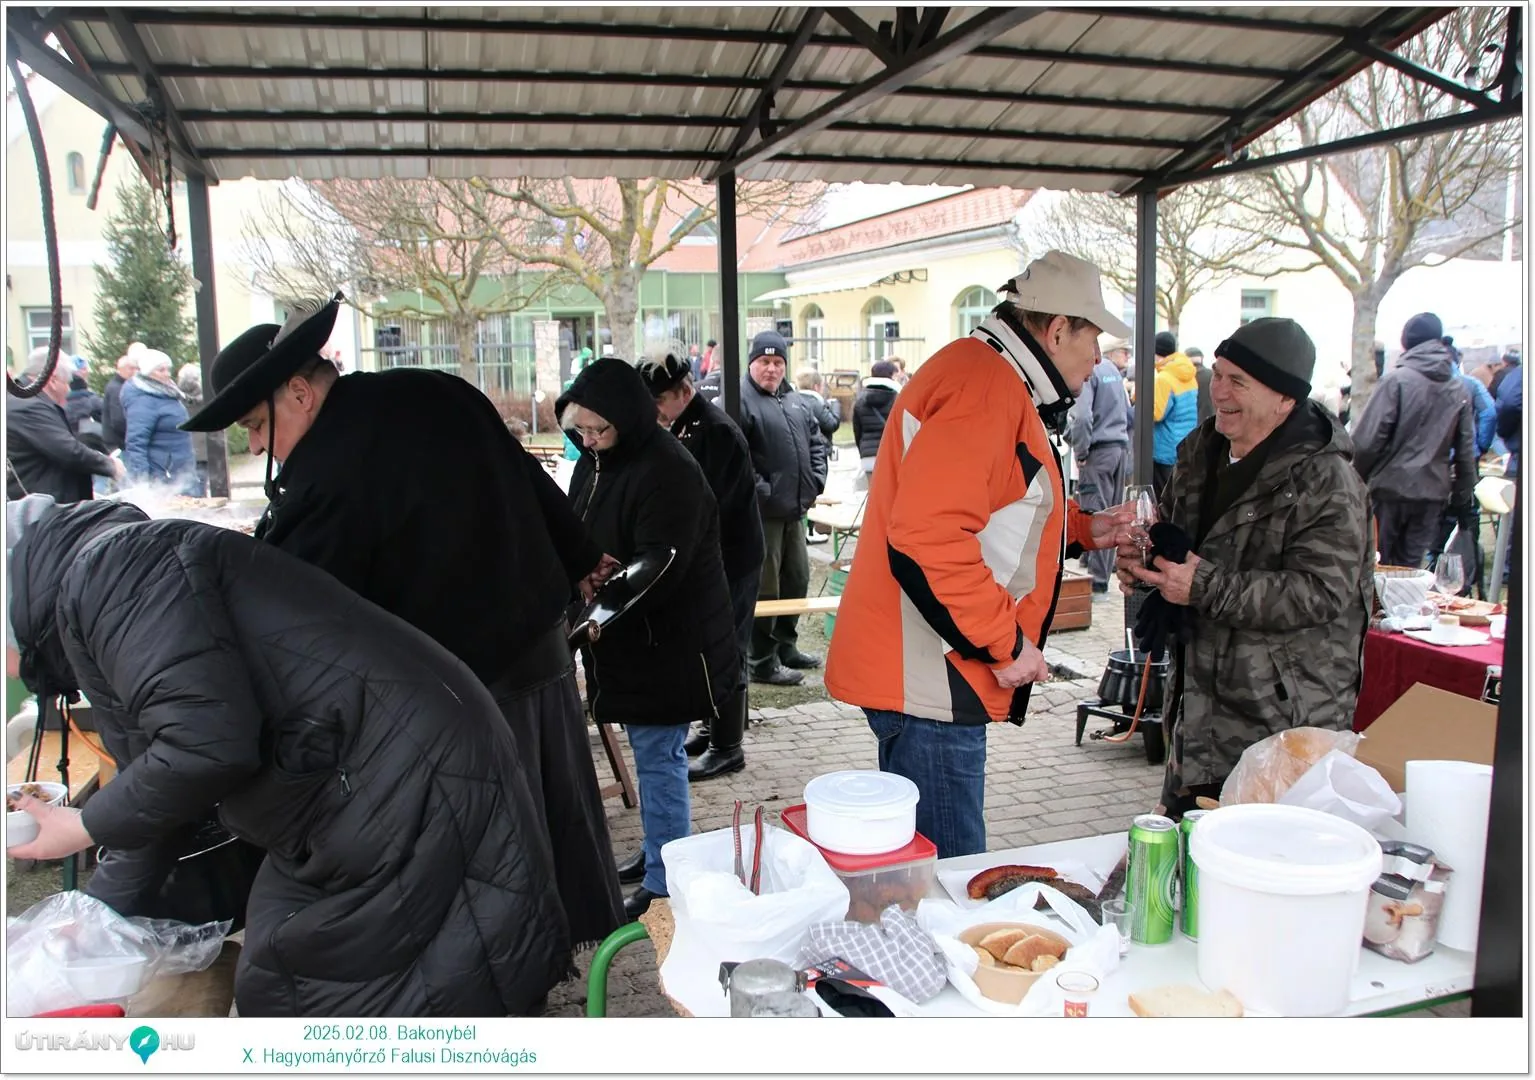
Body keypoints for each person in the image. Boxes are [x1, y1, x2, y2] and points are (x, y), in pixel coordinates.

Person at [5, 495, 572, 1017]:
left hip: (401, 774)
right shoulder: (109, 575)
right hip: (363, 776)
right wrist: (94, 916)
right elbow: (164, 780)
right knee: (286, 972)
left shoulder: (112, 575)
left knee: (390, 986)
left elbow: (203, 746)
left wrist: (84, 825)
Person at [180, 295, 625, 950]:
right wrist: (582, 554)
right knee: (554, 834)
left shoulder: (328, 472)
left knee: (494, 868)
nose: (255, 445)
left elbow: (285, 603)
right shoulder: (432, 388)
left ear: (298, 393)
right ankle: (560, 950)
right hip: (539, 654)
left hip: (464, 698)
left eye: (253, 425)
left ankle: (517, 977)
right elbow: (526, 475)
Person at [824, 251, 1131, 858]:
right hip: (934, 679)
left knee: (924, 872)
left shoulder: (989, 374)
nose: (1099, 358)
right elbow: (928, 535)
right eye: (1093, 337)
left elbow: (993, 505)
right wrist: (1007, 644)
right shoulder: (987, 387)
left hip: (927, 673)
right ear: (1058, 329)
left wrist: (1085, 530)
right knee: (948, 881)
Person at [1115, 317, 1374, 820]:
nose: (1221, 393)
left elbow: (1322, 593)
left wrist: (1203, 586)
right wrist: (1143, 566)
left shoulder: (1326, 478)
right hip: (1198, 708)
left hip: (1281, 718)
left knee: (1266, 863)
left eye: (1239, 382)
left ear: (1285, 398)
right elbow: (1175, 539)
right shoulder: (1200, 451)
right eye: (1218, 375)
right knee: (1192, 847)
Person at [558, 358, 738, 919]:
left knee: (659, 758)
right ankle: (659, 851)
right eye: (580, 430)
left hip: (670, 641)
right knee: (648, 752)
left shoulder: (669, 469)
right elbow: (575, 525)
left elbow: (661, 561)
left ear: (629, 418)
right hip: (629, 637)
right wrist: (581, 567)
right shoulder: (597, 460)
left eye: (598, 429)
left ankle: (666, 879)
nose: (588, 440)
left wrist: (596, 611)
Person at [642, 352, 764, 783]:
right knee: (708, 644)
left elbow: (714, 505)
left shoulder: (715, 431)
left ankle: (728, 745)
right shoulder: (686, 424)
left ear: (684, 391)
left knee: (727, 645)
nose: (653, 411)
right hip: (712, 558)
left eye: (659, 401)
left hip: (732, 556)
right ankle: (712, 727)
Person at [1351, 313, 1477, 569]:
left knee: (1373, 565)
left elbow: (1367, 442)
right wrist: (1463, 492)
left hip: (1389, 490)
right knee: (1408, 572)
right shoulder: (1457, 388)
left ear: (1407, 343)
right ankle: (1399, 609)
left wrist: (1354, 479)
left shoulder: (1396, 381)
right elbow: (1466, 450)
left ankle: (1380, 609)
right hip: (1431, 492)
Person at [738, 330, 828, 686]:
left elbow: (816, 442)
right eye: (764, 362)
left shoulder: (793, 400)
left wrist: (815, 481)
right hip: (764, 515)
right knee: (766, 586)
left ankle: (786, 645)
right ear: (752, 363)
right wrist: (766, 492)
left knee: (797, 579)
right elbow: (739, 459)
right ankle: (760, 659)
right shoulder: (742, 401)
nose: (771, 369)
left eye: (778, 363)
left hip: (795, 510)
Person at [6, 349, 124, 502]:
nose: (69, 390)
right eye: (68, 383)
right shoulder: (27, 405)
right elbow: (67, 450)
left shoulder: (26, 399)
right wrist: (109, 465)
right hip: (41, 507)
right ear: (53, 381)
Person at [1065, 336, 1133, 593]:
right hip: (1119, 448)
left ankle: (1097, 582)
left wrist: (1081, 451)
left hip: (1098, 452)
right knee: (1111, 511)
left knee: (1097, 513)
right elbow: (1129, 414)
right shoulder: (1113, 372)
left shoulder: (1090, 372)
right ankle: (1101, 574)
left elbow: (1081, 417)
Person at [120, 349, 199, 494]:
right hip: (163, 477)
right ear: (148, 373)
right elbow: (136, 442)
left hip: (181, 470)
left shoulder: (167, 393)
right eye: (161, 370)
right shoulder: (143, 400)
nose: (167, 374)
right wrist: (141, 481)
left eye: (168, 369)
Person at [1151, 331, 1199, 495]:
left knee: (1163, 496)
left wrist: (1139, 397)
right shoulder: (1188, 374)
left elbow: (1156, 413)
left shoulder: (1164, 378)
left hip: (1164, 447)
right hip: (1184, 443)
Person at [852, 359, 901, 491]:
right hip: (891, 457)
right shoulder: (898, 399)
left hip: (868, 457)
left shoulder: (860, 400)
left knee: (873, 497)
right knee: (891, 497)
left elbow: (857, 431)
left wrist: (863, 450)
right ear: (890, 375)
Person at [101, 348, 141, 454]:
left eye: (136, 368)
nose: (135, 372)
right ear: (120, 369)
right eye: (131, 369)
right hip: (118, 444)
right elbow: (118, 420)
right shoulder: (117, 389)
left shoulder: (122, 386)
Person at [794, 369, 843, 440]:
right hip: (817, 447)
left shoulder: (794, 400)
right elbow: (831, 425)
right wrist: (835, 405)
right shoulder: (815, 403)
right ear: (816, 387)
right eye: (822, 386)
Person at [1187, 346, 1213, 425]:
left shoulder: (1186, 378)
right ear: (1201, 359)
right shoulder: (1213, 375)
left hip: (1191, 423)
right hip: (1211, 420)